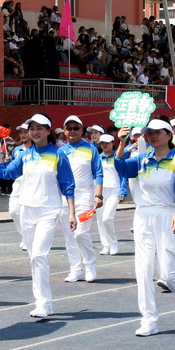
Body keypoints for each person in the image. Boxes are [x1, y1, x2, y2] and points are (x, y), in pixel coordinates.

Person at [112, 119, 175, 337]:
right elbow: (121, 167)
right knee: (143, 269)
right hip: (143, 215)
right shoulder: (142, 159)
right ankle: (149, 319)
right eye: (149, 133)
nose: (153, 136)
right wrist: (121, 143)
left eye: (158, 132)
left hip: (168, 214)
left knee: (168, 274)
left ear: (169, 135)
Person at [0, 113, 76, 319]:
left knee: (39, 255)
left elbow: (68, 185)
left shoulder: (58, 155)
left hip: (48, 211)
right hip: (26, 210)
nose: (35, 132)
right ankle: (41, 301)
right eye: (32, 128)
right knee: (33, 258)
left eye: (39, 128)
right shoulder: (25, 155)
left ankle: (45, 303)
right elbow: (5, 174)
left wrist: (72, 212)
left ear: (48, 130)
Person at [58, 116, 104, 282]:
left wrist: (98, 195)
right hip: (65, 197)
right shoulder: (60, 151)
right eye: (69, 128)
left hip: (85, 195)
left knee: (80, 233)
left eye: (76, 128)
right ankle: (75, 269)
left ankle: (90, 264)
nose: (72, 131)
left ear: (82, 130)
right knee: (69, 235)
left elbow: (98, 173)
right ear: (64, 131)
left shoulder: (91, 149)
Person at [96, 132, 123, 255]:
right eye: (102, 143)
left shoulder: (117, 156)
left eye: (107, 142)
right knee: (100, 220)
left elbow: (123, 174)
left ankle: (113, 244)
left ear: (113, 143)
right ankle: (106, 245)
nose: (104, 145)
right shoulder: (97, 157)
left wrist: (123, 190)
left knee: (107, 218)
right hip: (100, 191)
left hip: (114, 189)